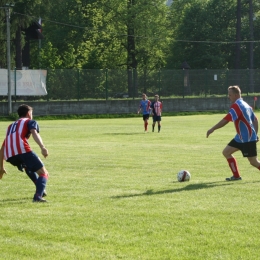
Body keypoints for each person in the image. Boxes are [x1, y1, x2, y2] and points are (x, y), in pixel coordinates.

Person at [206, 85, 260, 181]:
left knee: (253, 162)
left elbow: (226, 120)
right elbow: (255, 120)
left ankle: (236, 176)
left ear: (235, 95)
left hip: (247, 139)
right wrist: (255, 134)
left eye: (230, 95)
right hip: (240, 138)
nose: (228, 96)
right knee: (226, 152)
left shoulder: (237, 106)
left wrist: (212, 129)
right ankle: (236, 176)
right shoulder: (246, 104)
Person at [0, 104, 49, 202]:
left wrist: (1, 167)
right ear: (28, 113)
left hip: (10, 156)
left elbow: (3, 147)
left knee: (28, 167)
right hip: (23, 151)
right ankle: (38, 197)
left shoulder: (10, 126)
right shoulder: (30, 122)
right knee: (44, 174)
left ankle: (40, 190)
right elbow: (35, 133)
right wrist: (42, 147)